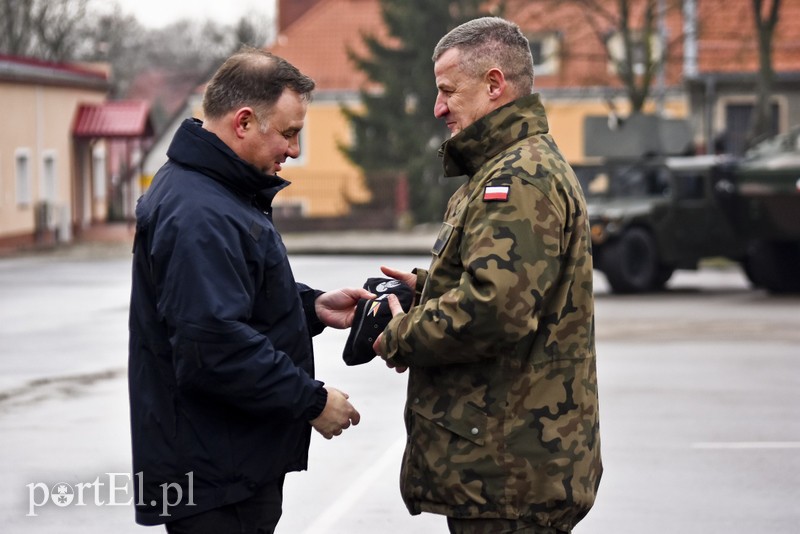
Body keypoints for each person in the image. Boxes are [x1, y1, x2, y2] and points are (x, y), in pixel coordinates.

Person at [373, 17, 602, 534]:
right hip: (508, 464)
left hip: (509, 473)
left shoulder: (518, 177)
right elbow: (508, 286)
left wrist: (400, 336)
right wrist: (428, 290)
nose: (438, 107)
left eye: (448, 91)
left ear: (494, 84)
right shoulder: (508, 168)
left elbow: (494, 310)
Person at [128, 47, 367, 533]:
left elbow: (233, 300)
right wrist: (313, 402)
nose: (294, 151)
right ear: (242, 122)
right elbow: (213, 347)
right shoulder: (199, 211)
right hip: (214, 479)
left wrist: (310, 308)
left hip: (225, 465)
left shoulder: (217, 192)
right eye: (289, 133)